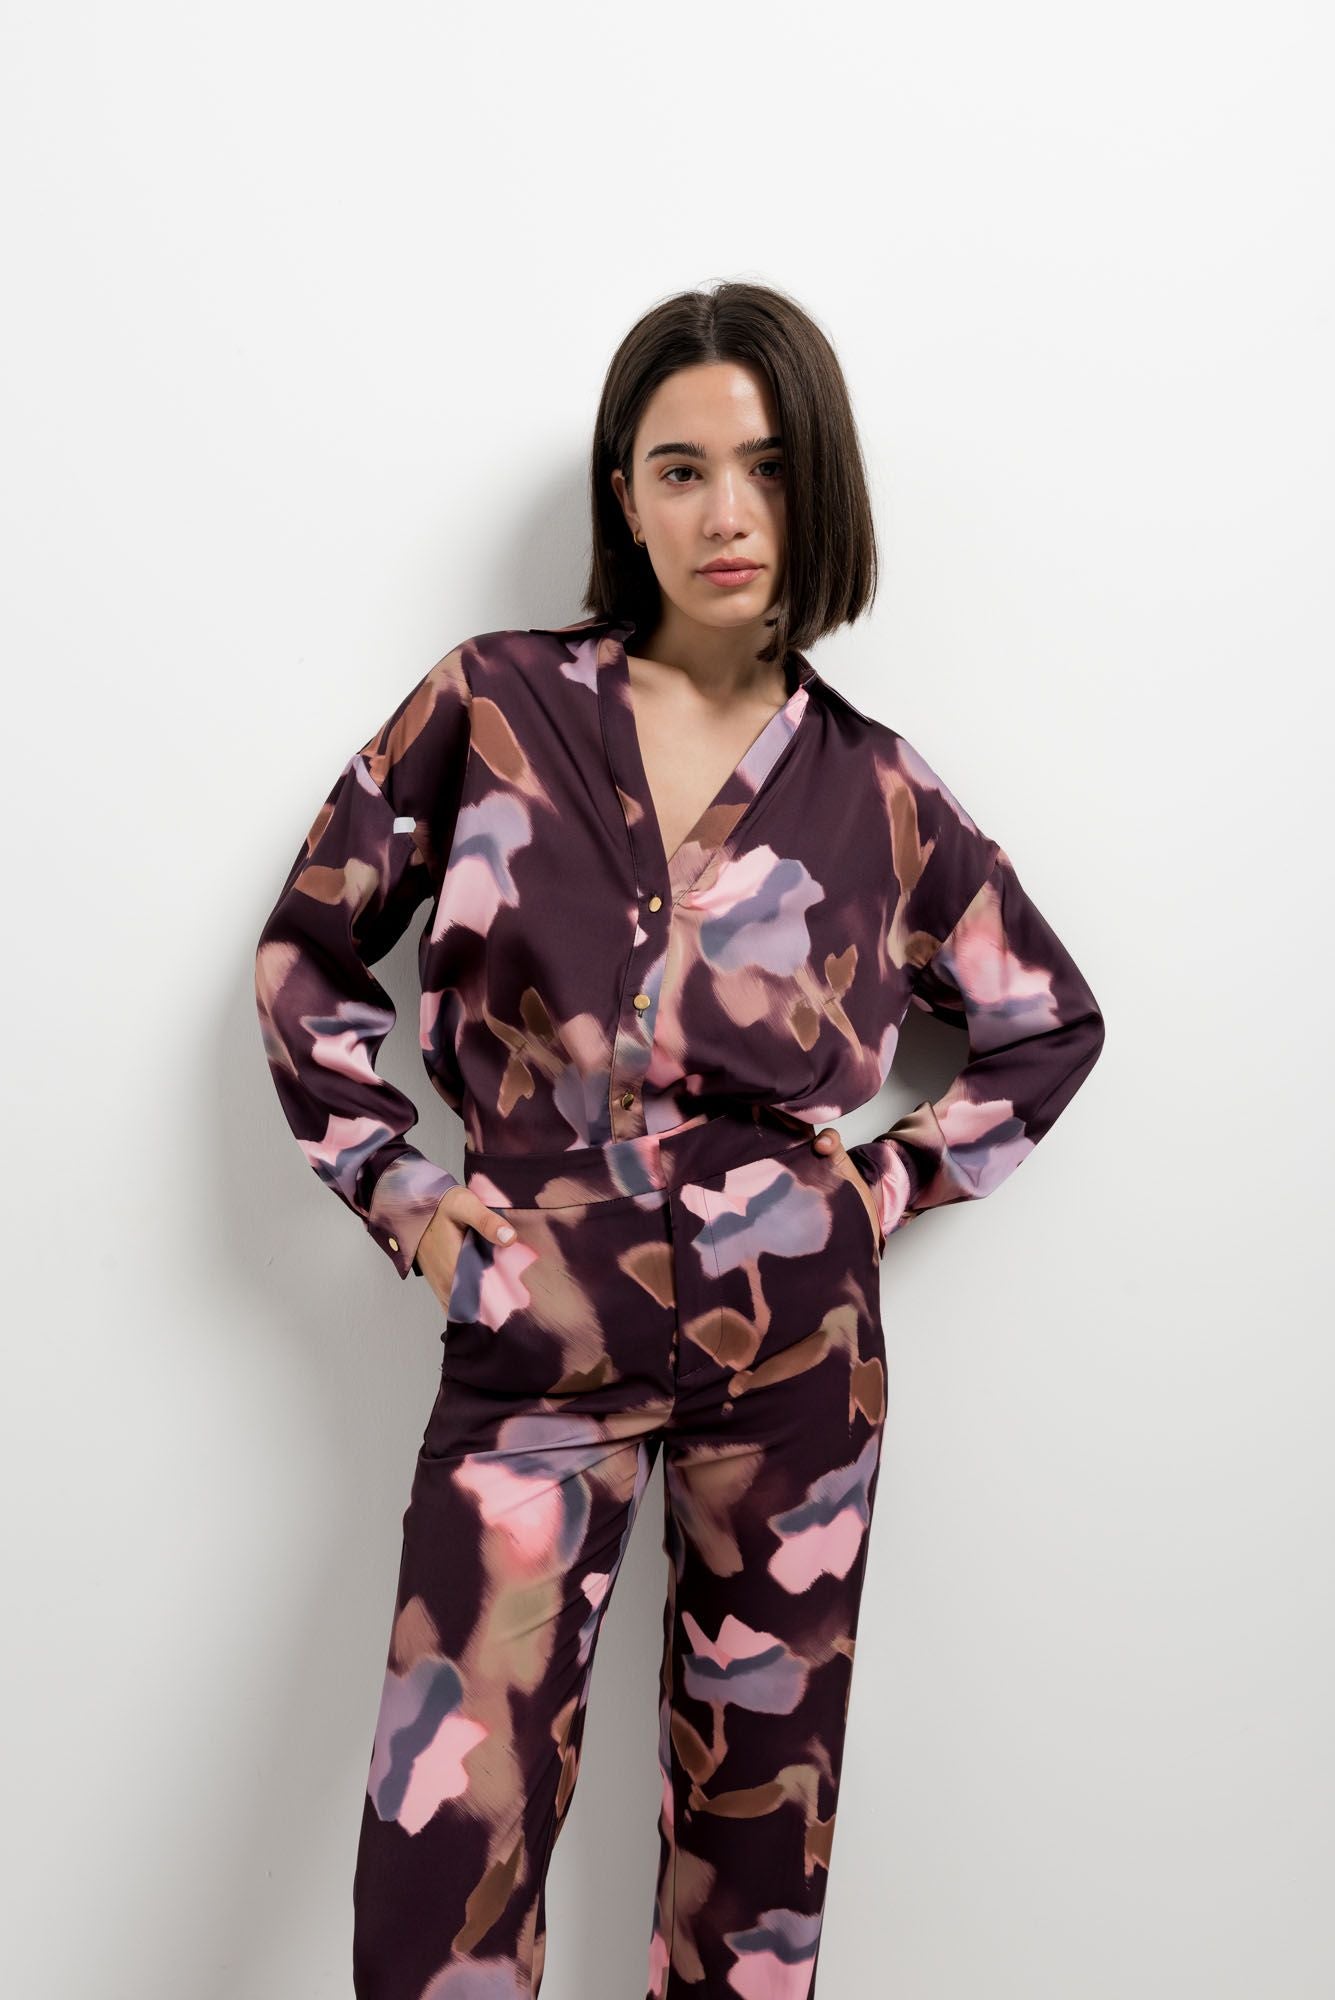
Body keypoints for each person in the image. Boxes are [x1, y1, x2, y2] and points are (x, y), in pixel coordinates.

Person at [254, 279, 1105, 2000]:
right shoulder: (495, 706)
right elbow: (308, 958)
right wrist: (405, 1194)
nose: (728, 514)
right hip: (533, 1325)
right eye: (682, 468)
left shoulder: (881, 794)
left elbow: (1049, 1021)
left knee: (754, 1871)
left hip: (792, 1359)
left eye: (770, 470)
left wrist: (878, 1185)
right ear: (622, 495)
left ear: (821, 491)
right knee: (444, 1853)